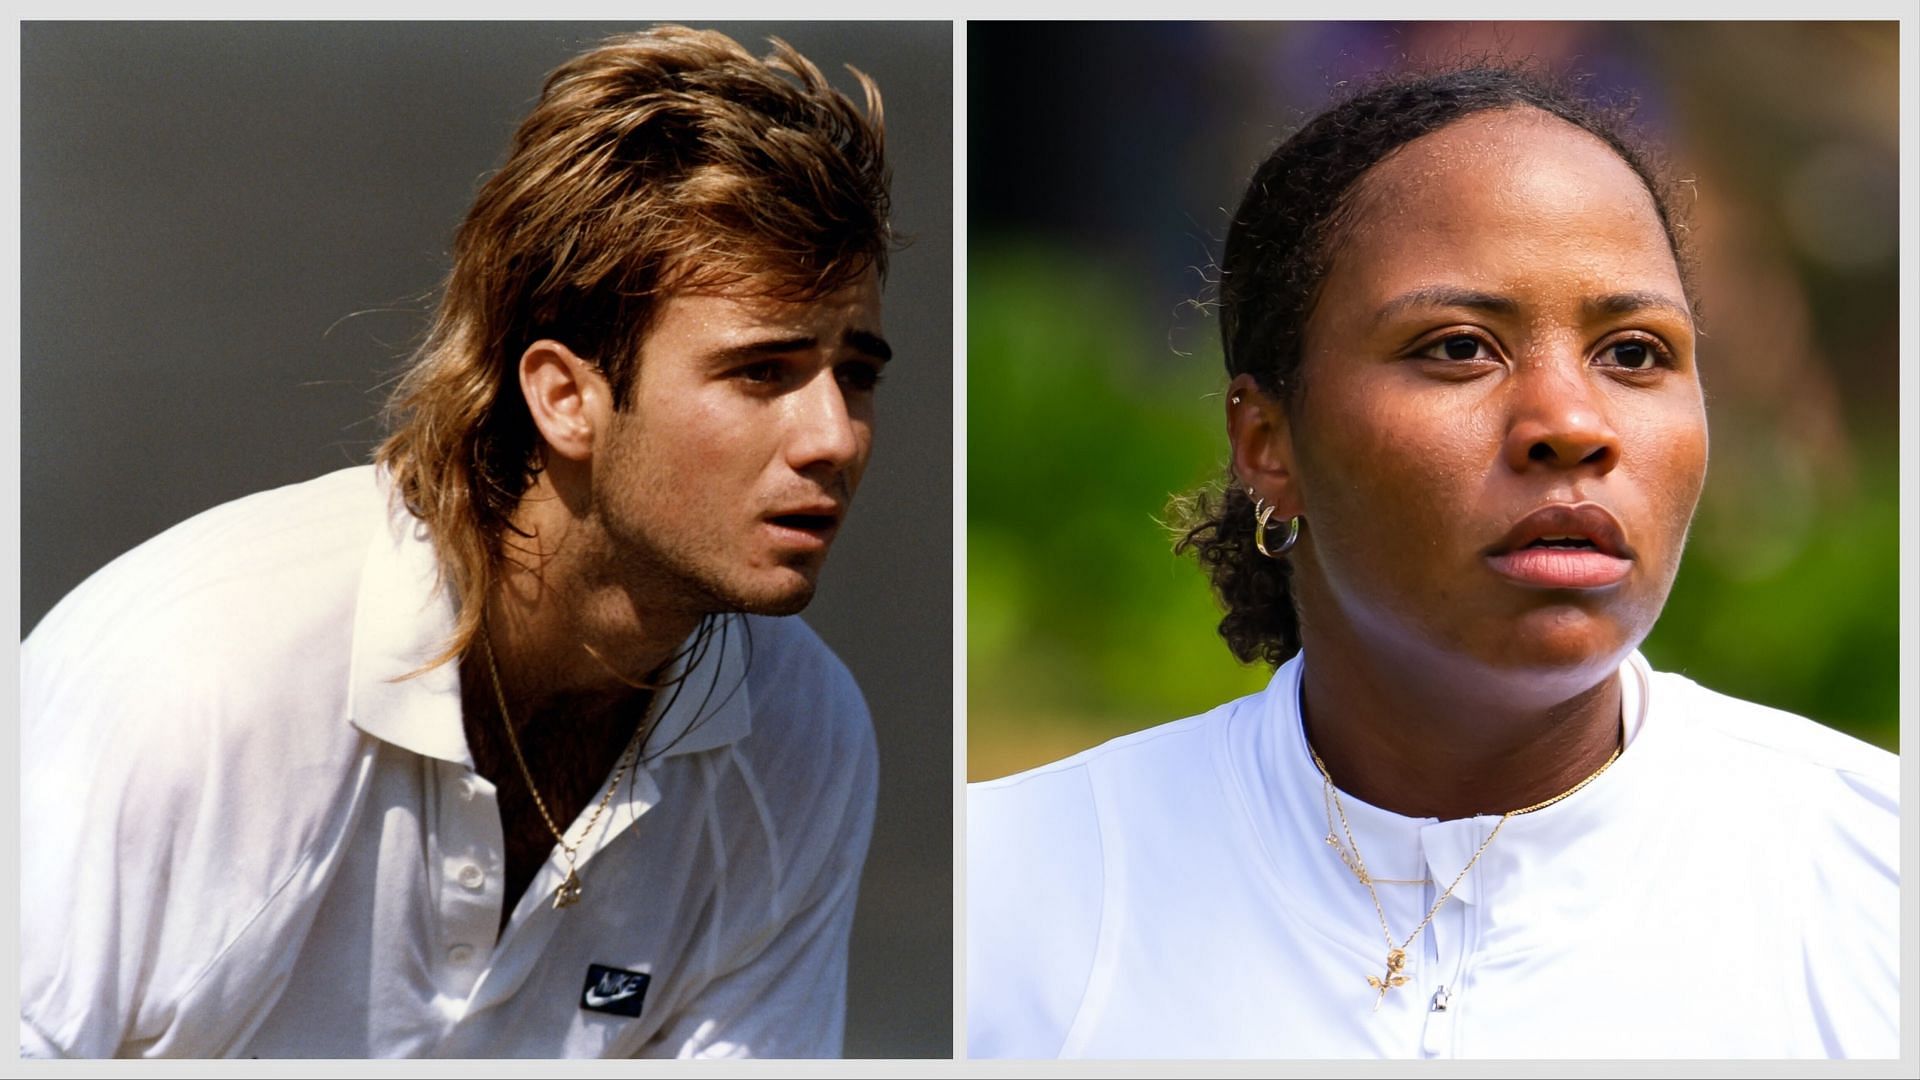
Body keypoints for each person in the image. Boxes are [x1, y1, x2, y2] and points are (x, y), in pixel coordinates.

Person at [967, 66, 1898, 1059]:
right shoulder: (1006, 896)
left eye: (1632, 354)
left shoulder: (1874, 889)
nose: (1572, 424)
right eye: (1460, 347)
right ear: (1269, 443)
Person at [22, 26, 894, 1058]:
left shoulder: (805, 740)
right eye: (762, 373)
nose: (834, 436)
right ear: (565, 398)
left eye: (858, 374)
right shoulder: (197, 683)